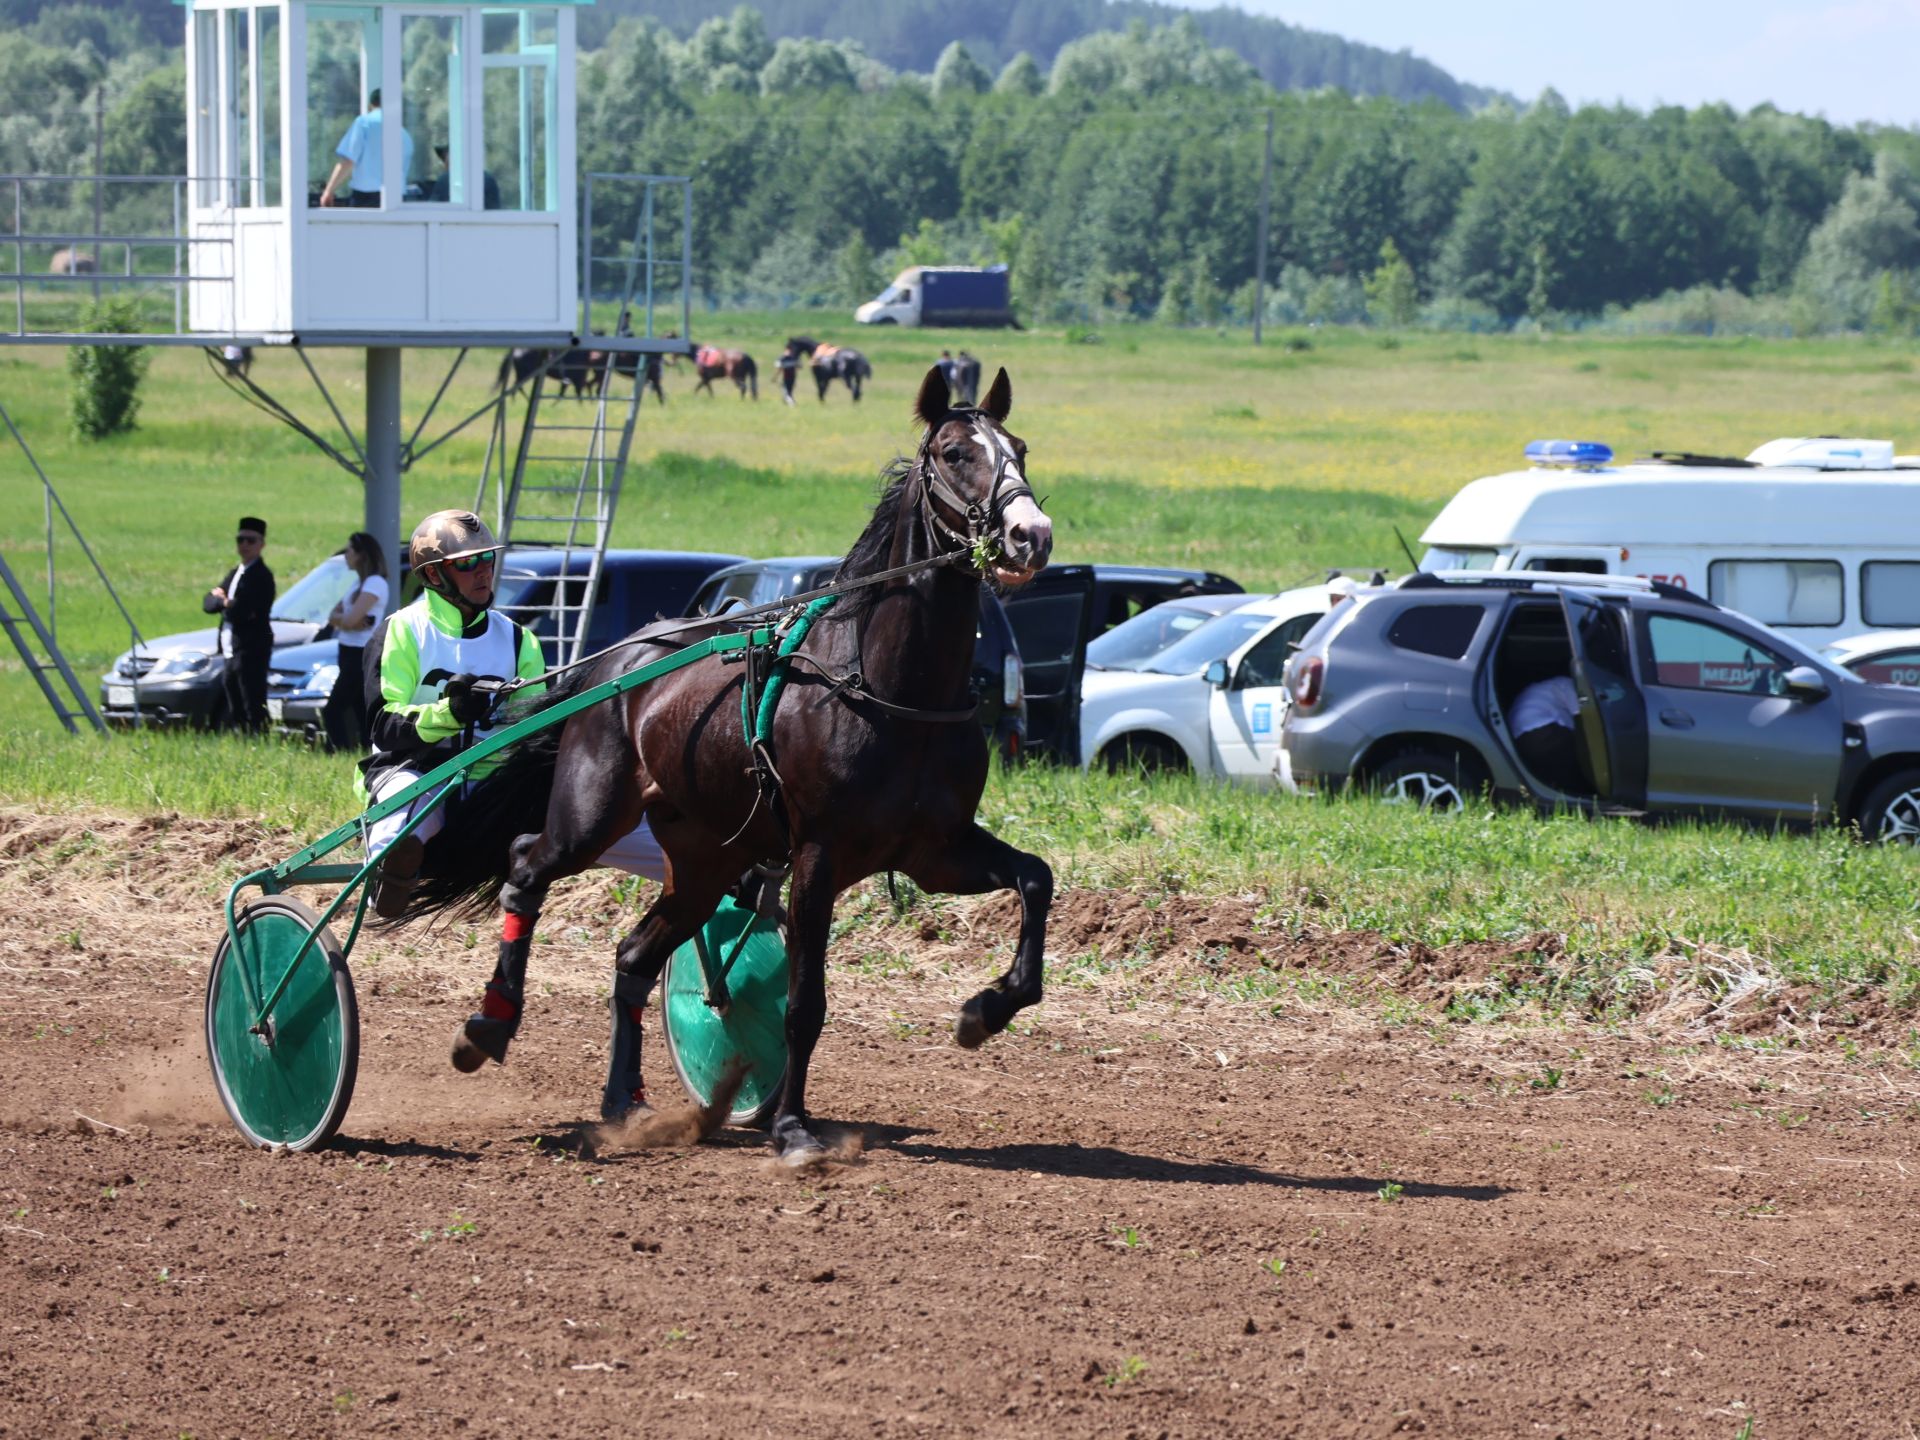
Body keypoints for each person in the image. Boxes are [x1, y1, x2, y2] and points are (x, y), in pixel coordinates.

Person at [359, 510, 543, 918]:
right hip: (415, 770)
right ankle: (390, 867)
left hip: (491, 783)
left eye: (487, 559)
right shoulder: (401, 631)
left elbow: (535, 732)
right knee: (413, 803)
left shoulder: (519, 641)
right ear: (435, 576)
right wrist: (451, 713)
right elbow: (384, 727)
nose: (482, 572)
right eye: (466, 563)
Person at [319, 531, 390, 753]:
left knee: (333, 709)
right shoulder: (358, 584)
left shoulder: (375, 583)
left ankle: (338, 751)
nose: (346, 554)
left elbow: (349, 619)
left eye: (350, 550)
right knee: (360, 708)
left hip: (360, 653)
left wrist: (346, 621)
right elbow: (334, 616)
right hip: (347, 650)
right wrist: (346, 621)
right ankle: (364, 752)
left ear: (362, 554)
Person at [203, 517, 275, 733]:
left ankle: (258, 736)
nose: (244, 545)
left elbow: (244, 611)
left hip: (251, 648)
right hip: (230, 649)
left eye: (250, 540)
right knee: (233, 697)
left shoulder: (262, 576)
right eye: (240, 540)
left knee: (252, 699)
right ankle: (243, 736)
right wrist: (224, 602)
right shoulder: (236, 573)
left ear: (261, 544)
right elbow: (208, 603)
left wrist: (224, 602)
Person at [319, 89, 413, 208]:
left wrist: (329, 191)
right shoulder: (404, 134)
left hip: (366, 198)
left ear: (370, 105)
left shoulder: (364, 123)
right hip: (397, 199)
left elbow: (348, 160)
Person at [1509, 675, 1585, 796]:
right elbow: (1585, 720)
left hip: (1521, 737)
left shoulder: (1546, 687)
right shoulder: (1569, 685)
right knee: (1580, 751)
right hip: (1541, 729)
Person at [427, 142, 501, 210]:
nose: (443, 163)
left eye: (444, 157)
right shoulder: (488, 179)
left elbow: (431, 211)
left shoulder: (447, 179)